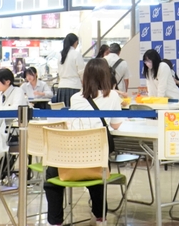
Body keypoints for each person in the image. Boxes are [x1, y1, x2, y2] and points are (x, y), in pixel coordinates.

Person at [44, 58, 125, 226]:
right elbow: (116, 125)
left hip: (71, 156)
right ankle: (101, 217)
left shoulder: (75, 97)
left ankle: (55, 222)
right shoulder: (113, 96)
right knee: (96, 174)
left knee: (51, 177)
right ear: (106, 75)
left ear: (86, 76)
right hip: (97, 158)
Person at [54, 33, 84, 107]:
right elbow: (81, 72)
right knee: (74, 110)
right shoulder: (76, 54)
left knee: (63, 111)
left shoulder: (60, 55)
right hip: (74, 87)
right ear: (75, 42)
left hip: (62, 87)